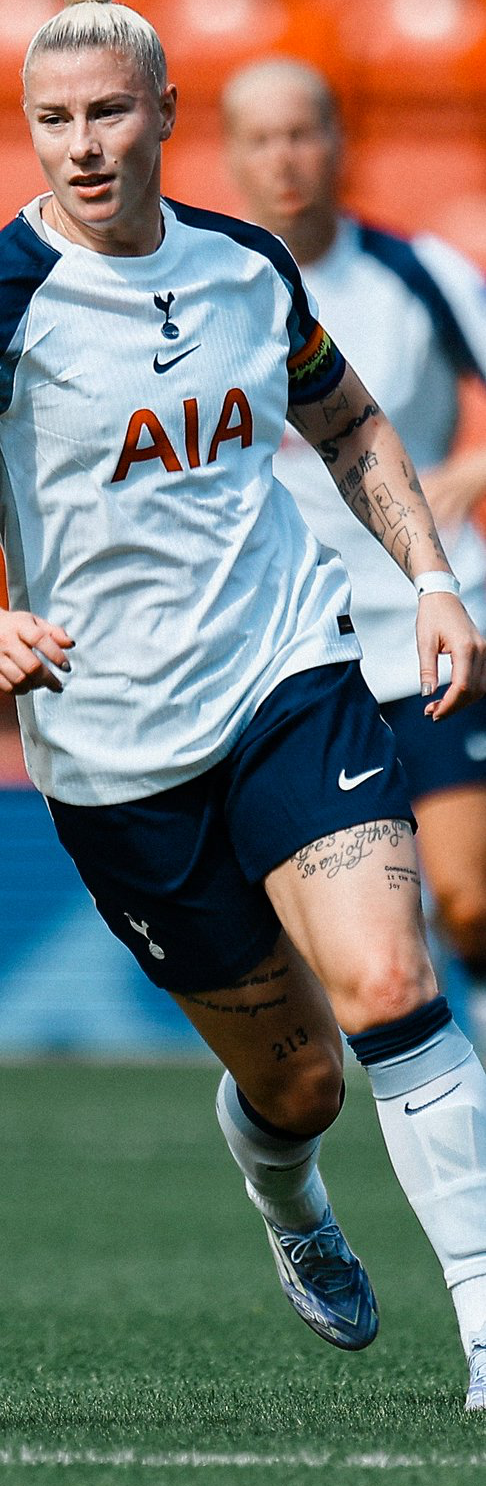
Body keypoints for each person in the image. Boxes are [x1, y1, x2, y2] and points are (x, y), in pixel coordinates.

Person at [0, 0, 486, 1405]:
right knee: (300, 1082)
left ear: (163, 116)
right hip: (113, 749)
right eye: (52, 118)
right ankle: (291, 1208)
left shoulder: (243, 267)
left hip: (289, 670)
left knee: (390, 978)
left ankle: (477, 1322)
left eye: (107, 115)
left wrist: (431, 583)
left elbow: (350, 425)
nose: (81, 147)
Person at [222, 56, 486, 1042]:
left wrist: (476, 464)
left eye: (304, 132)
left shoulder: (415, 273)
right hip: (292, 648)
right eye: (261, 136)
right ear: (229, 155)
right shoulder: (213, 293)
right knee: (337, 956)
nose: (285, 157)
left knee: (468, 896)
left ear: (341, 143)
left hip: (426, 625)